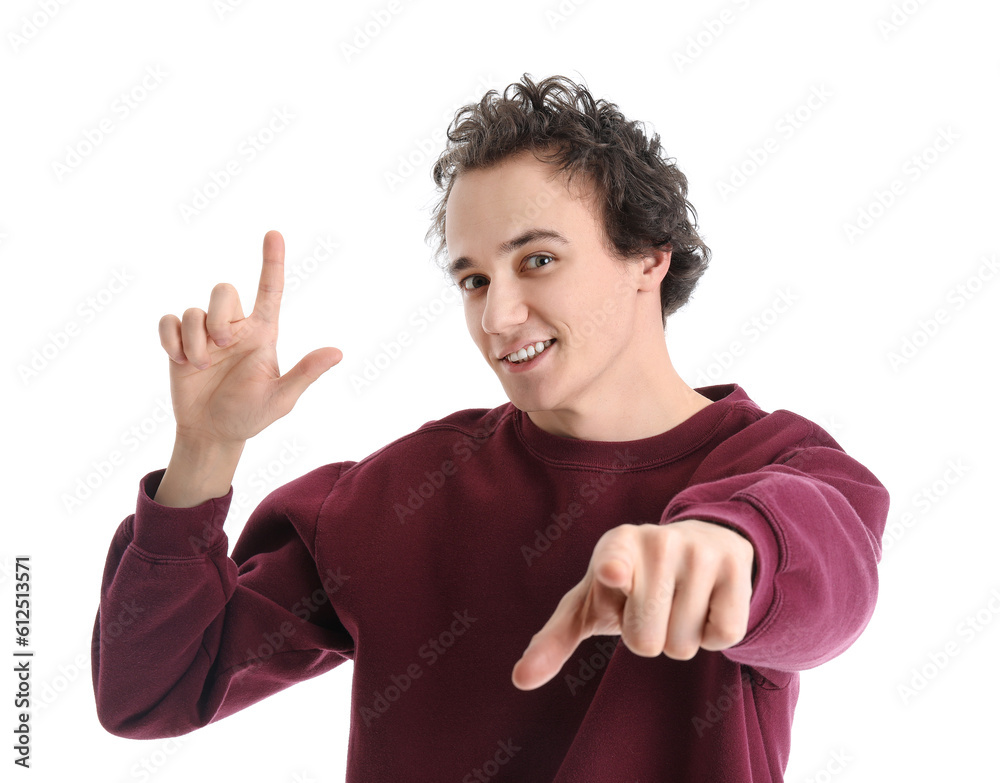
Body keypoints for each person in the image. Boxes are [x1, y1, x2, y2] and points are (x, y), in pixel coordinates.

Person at [91, 74, 890, 782]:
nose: (498, 316)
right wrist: (204, 450)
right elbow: (150, 690)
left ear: (649, 256)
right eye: (474, 278)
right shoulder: (396, 494)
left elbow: (829, 582)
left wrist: (728, 554)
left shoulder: (776, 471)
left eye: (537, 260)